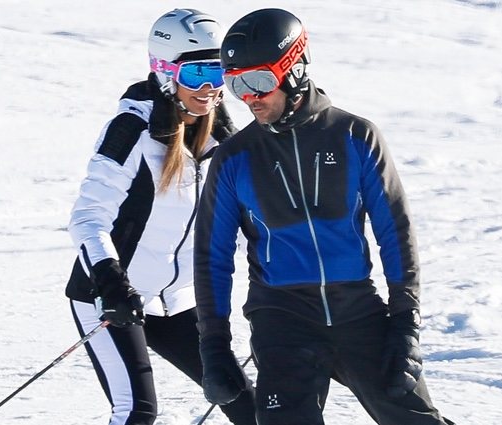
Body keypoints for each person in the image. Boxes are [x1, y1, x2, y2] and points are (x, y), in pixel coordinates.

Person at [194, 8, 454, 425]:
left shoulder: (355, 136)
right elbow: (212, 256)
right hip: (282, 319)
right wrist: (214, 347)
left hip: (358, 313)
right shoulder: (234, 159)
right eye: (237, 84)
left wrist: (406, 324)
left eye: (259, 80)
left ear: (293, 68)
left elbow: (395, 231)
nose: (250, 97)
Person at [65, 8, 256, 425]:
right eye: (194, 75)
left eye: (218, 73)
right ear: (165, 72)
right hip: (112, 297)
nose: (209, 89)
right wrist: (111, 282)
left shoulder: (225, 140)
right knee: (137, 411)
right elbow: (87, 217)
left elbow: (247, 219)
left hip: (178, 302)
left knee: (250, 408)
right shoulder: (131, 130)